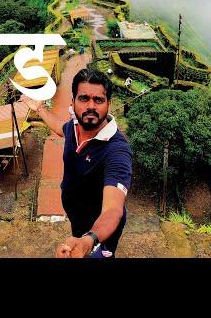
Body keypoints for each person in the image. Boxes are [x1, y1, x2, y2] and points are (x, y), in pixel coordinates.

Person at [21, 68, 132, 258]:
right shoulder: (74, 127)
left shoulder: (117, 151)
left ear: (109, 104)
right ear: (73, 102)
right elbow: (59, 127)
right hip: (76, 216)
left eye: (98, 100)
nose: (91, 106)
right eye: (84, 98)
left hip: (101, 232)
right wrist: (40, 109)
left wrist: (89, 240)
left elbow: (113, 210)